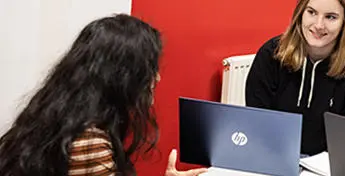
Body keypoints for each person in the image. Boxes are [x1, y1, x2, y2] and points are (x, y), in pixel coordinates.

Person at [0, 14, 206, 176]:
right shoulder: (90, 142)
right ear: (124, 76)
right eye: (150, 70)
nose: (157, 78)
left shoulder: (62, 119)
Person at [245, 0, 345, 155]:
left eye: (331, 17)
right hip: (272, 158)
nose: (319, 25)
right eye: (312, 12)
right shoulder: (271, 55)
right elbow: (257, 122)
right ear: (300, 13)